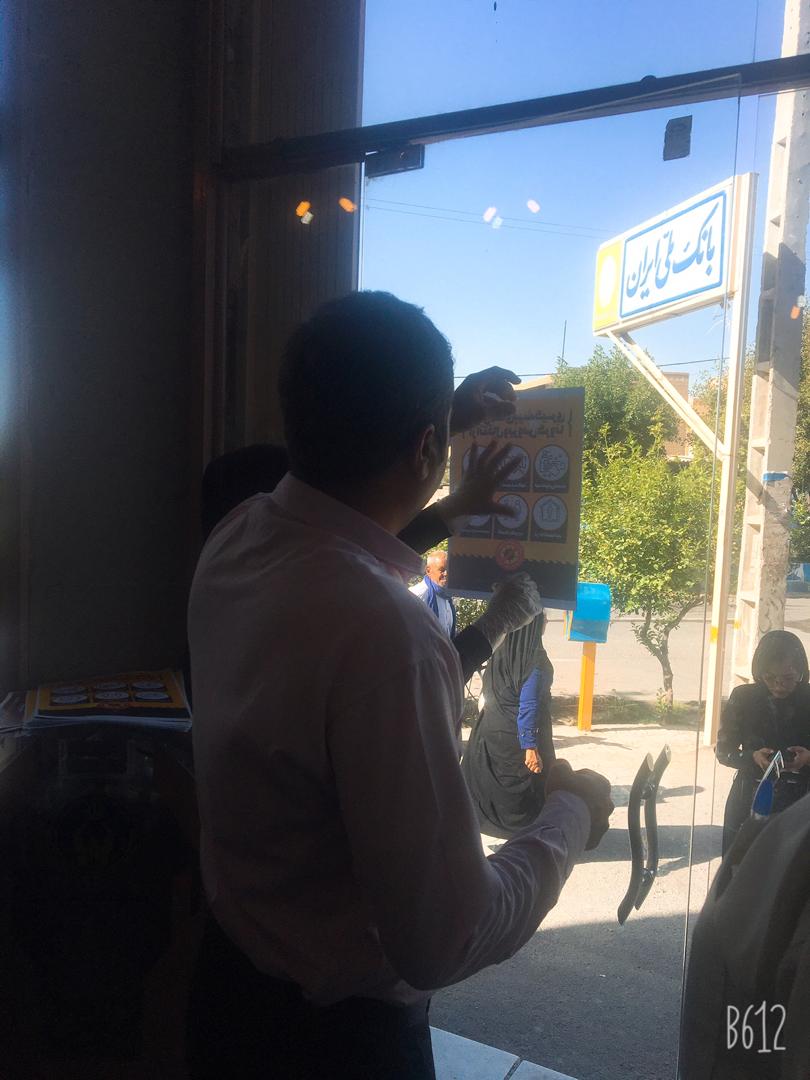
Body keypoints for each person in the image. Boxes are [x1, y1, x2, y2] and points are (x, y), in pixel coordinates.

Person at [187, 291, 613, 1080]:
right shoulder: (387, 637)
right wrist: (569, 816)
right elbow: (448, 936)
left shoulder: (236, 536)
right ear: (426, 446)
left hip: (224, 995)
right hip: (335, 1049)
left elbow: (335, 540)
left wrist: (440, 462)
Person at [716, 629, 810, 855]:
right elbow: (723, 752)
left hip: (802, 800)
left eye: (789, 678)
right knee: (742, 866)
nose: (779, 685)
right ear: (759, 673)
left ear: (801, 672)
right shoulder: (744, 697)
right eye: (770, 678)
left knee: (793, 869)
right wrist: (752, 757)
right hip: (749, 797)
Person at [462, 612, 556, 838]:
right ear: (534, 625)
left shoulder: (501, 650)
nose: (546, 622)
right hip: (517, 737)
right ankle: (521, 835)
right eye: (543, 619)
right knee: (525, 790)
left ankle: (486, 827)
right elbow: (529, 704)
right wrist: (530, 747)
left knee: (492, 784)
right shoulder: (534, 660)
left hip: (492, 728)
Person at [410, 549, 456, 637]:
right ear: (428, 571)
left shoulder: (447, 596)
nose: (446, 574)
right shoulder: (417, 595)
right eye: (442, 570)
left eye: (449, 569)